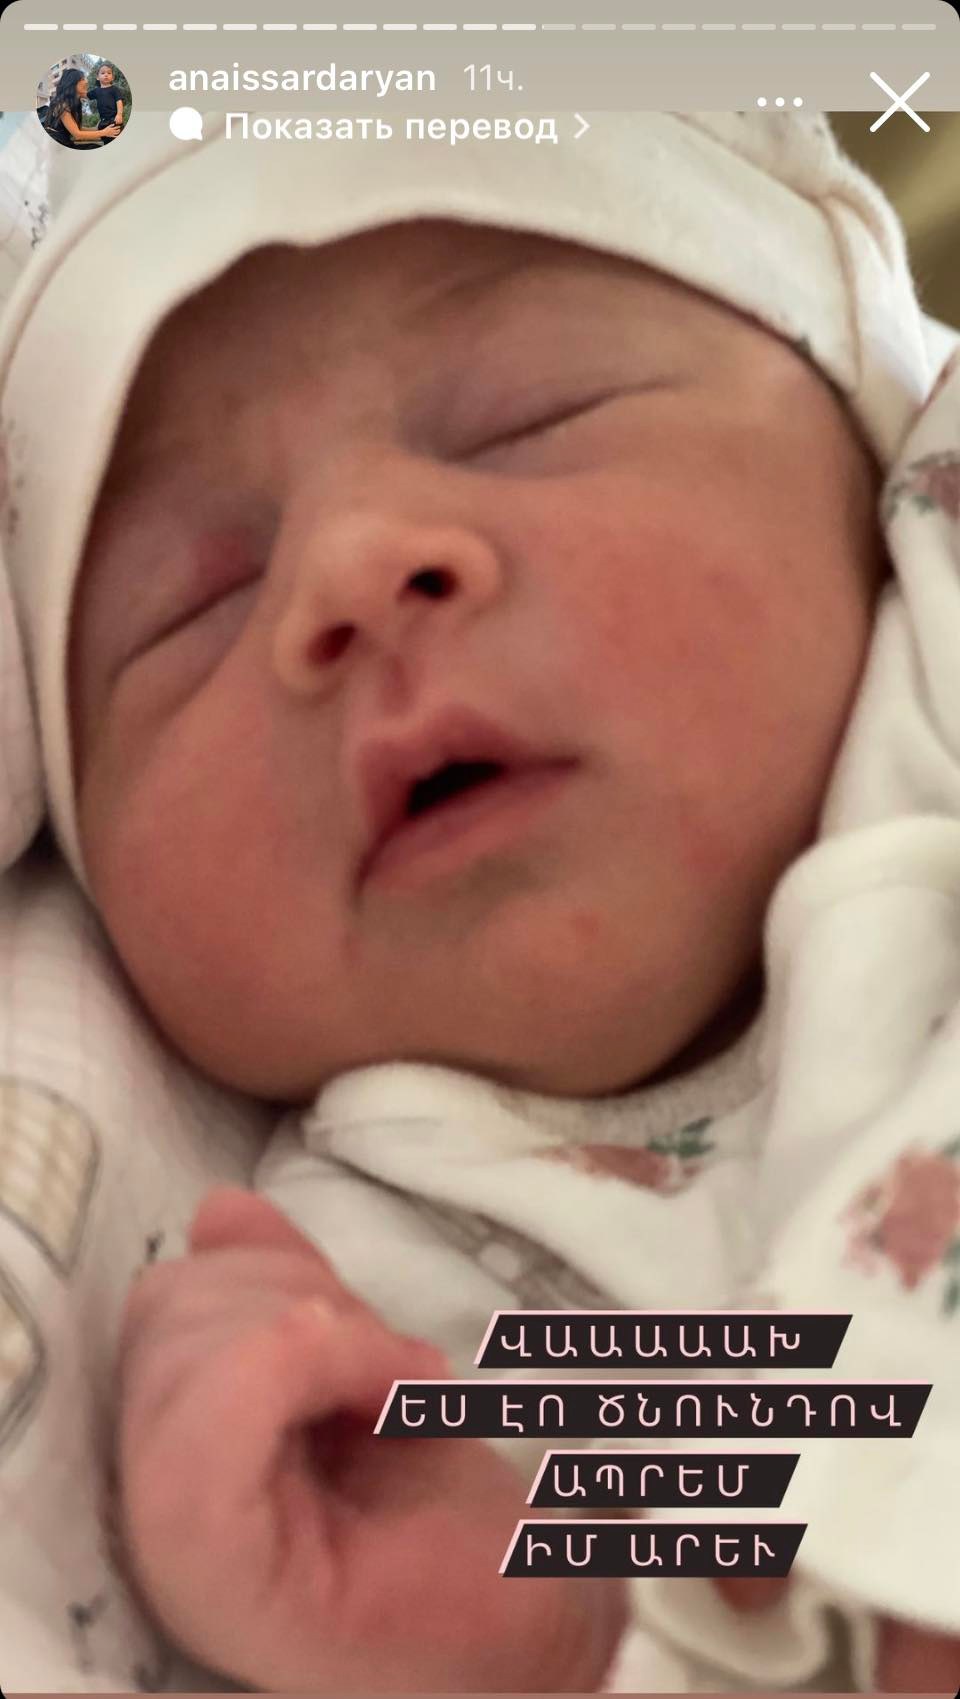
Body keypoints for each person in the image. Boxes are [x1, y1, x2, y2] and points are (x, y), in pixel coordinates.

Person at [1, 111, 959, 1694]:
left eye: (533, 417)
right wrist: (560, 1626)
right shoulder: (388, 1323)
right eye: (191, 604)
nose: (351, 563)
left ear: (869, 453)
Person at [39, 66, 120, 149]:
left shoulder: (75, 103)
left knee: (94, 147)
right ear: (72, 83)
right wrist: (104, 132)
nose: (86, 82)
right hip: (55, 147)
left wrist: (99, 129)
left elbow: (78, 128)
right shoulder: (62, 104)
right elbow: (77, 134)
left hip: (63, 144)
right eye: (82, 79)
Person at [84, 62, 124, 144]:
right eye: (103, 73)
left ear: (112, 77)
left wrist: (119, 114)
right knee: (106, 141)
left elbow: (119, 101)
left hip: (114, 120)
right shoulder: (96, 91)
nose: (106, 75)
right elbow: (85, 95)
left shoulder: (114, 89)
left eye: (109, 73)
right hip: (103, 122)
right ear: (98, 77)